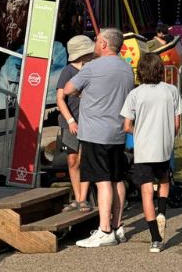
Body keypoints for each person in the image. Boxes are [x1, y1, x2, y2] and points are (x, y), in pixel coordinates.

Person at [64, 29, 134, 248]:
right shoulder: (126, 68)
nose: (94, 43)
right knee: (117, 179)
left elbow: (68, 88)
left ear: (104, 44)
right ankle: (117, 226)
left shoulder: (92, 67)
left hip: (95, 132)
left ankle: (104, 230)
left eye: (96, 40)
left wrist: (82, 93)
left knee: (102, 181)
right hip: (117, 131)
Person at [121, 53, 182, 253]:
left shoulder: (135, 94)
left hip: (144, 149)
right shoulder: (171, 90)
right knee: (164, 179)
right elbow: (177, 123)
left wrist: (139, 131)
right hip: (164, 146)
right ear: (161, 70)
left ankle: (155, 239)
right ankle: (162, 211)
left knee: (146, 191)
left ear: (140, 72)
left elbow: (126, 126)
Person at [57, 35, 95, 214]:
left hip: (89, 121)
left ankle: (82, 198)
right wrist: (70, 121)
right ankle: (79, 196)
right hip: (69, 122)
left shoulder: (92, 69)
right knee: (72, 160)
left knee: (84, 159)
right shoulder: (68, 71)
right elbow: (60, 99)